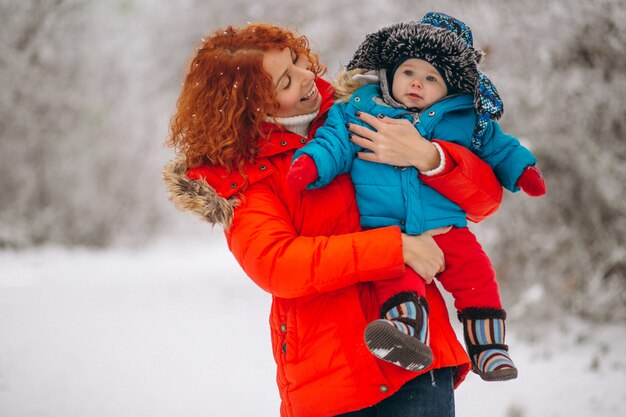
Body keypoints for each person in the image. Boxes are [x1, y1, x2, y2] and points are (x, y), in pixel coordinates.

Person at [163, 22, 505, 417]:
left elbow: (484, 202)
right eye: (286, 81)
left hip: (419, 360)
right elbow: (277, 262)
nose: (309, 76)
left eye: (298, 60)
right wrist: (394, 249)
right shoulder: (246, 175)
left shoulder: (373, 110)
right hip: (329, 374)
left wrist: (430, 158)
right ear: (253, 105)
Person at [286, 12, 546, 381]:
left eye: (431, 78)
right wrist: (310, 165)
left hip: (448, 228)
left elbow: (499, 147)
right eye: (409, 72)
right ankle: (407, 334)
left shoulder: (464, 120)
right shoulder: (357, 109)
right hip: (388, 230)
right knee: (396, 278)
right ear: (391, 72)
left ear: (449, 89)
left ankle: (489, 349)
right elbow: (333, 143)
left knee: (477, 276)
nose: (417, 84)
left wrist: (523, 171)